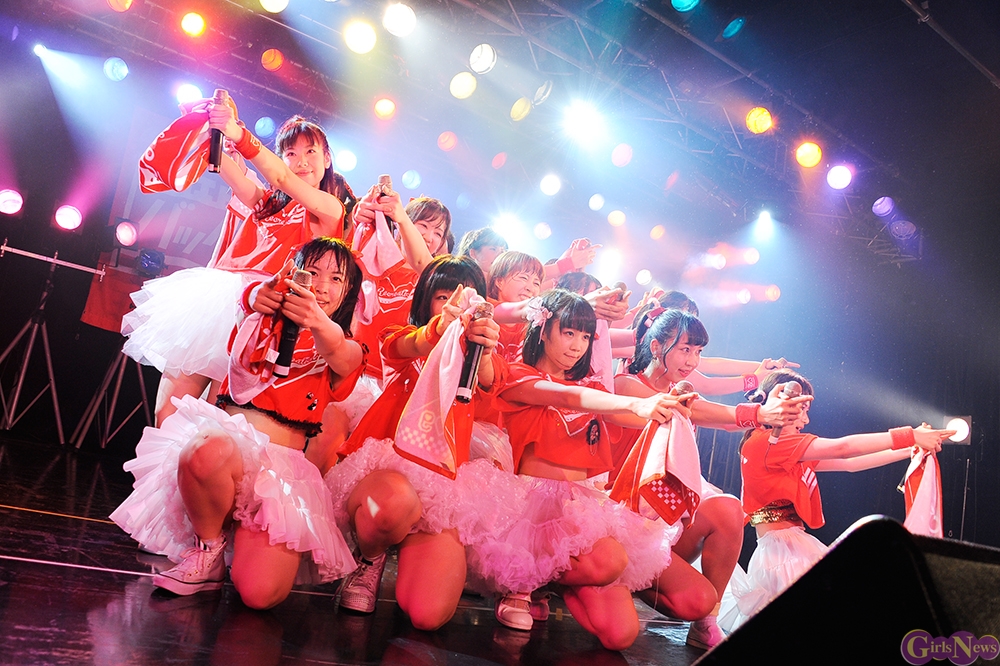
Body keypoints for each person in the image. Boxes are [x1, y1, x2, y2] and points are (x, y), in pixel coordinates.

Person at [111, 237, 366, 609]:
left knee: (259, 595)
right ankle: (209, 548)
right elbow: (247, 299)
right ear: (295, 275)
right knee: (204, 448)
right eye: (312, 272)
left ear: (348, 292)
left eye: (336, 278)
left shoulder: (348, 346)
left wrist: (314, 319)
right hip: (231, 449)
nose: (322, 285)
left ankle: (243, 549)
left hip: (282, 474)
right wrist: (253, 297)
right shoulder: (256, 322)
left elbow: (339, 352)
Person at [480, 289, 694, 650]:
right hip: (530, 505)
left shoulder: (592, 383)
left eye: (585, 336)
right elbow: (568, 397)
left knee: (620, 632)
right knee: (603, 564)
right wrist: (636, 405)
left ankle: (549, 583)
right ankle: (523, 585)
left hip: (581, 506)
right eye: (569, 333)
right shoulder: (517, 375)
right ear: (543, 330)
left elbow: (618, 412)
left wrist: (666, 410)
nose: (577, 345)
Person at [122, 101, 356, 427]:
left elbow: (281, 176)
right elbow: (220, 163)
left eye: (310, 152)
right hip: (218, 303)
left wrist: (239, 134)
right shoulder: (267, 202)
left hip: (258, 316)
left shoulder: (329, 209)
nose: (301, 161)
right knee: (167, 415)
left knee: (215, 423)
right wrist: (212, 128)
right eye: (291, 153)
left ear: (327, 159)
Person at [611, 307, 813, 648]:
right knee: (618, 635)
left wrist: (772, 408)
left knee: (727, 512)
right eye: (685, 349)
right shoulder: (625, 385)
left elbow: (722, 419)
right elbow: (697, 410)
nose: (693, 360)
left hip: (661, 524)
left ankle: (706, 622)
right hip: (621, 520)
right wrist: (760, 410)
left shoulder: (684, 389)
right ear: (657, 347)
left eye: (698, 351)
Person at [324, 255, 508, 631]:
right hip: (388, 471)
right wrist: (440, 326)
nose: (454, 305)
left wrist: (484, 350)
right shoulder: (400, 335)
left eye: (466, 298)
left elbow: (491, 380)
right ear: (426, 300)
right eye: (443, 297)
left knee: (429, 615)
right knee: (392, 506)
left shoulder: (484, 353)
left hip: (444, 479)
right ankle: (369, 558)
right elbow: (404, 346)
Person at [718, 369, 954, 631]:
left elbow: (850, 463)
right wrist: (910, 435)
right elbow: (844, 448)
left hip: (789, 548)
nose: (806, 419)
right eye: (801, 409)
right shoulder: (769, 444)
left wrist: (910, 449)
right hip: (782, 555)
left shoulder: (778, 447)